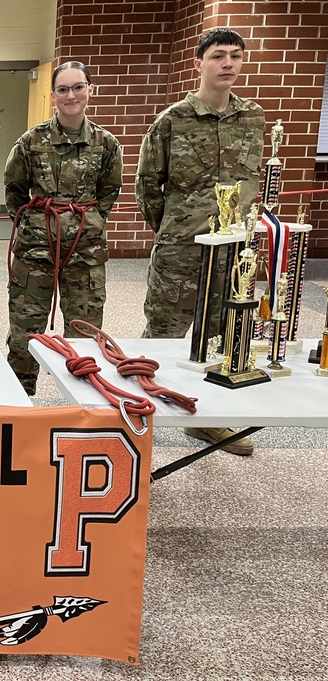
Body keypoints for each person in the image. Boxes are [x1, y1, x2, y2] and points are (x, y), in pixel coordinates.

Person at [135, 27, 266, 455]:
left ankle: (208, 420)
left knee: (221, 336)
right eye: (217, 56)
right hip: (181, 249)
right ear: (199, 64)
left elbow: (253, 182)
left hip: (233, 252)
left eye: (234, 55)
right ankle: (139, 421)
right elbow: (147, 185)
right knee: (162, 334)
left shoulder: (253, 118)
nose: (227, 63)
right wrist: (174, 230)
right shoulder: (172, 120)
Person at [4, 62, 123, 396]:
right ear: (53, 95)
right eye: (63, 89)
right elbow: (14, 189)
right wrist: (36, 223)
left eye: (78, 87)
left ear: (90, 90)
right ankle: (19, 398)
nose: (71, 95)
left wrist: (87, 223)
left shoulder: (106, 144)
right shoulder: (32, 141)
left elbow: (109, 193)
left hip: (86, 251)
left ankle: (80, 399)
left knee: (85, 329)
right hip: (35, 251)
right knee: (25, 327)